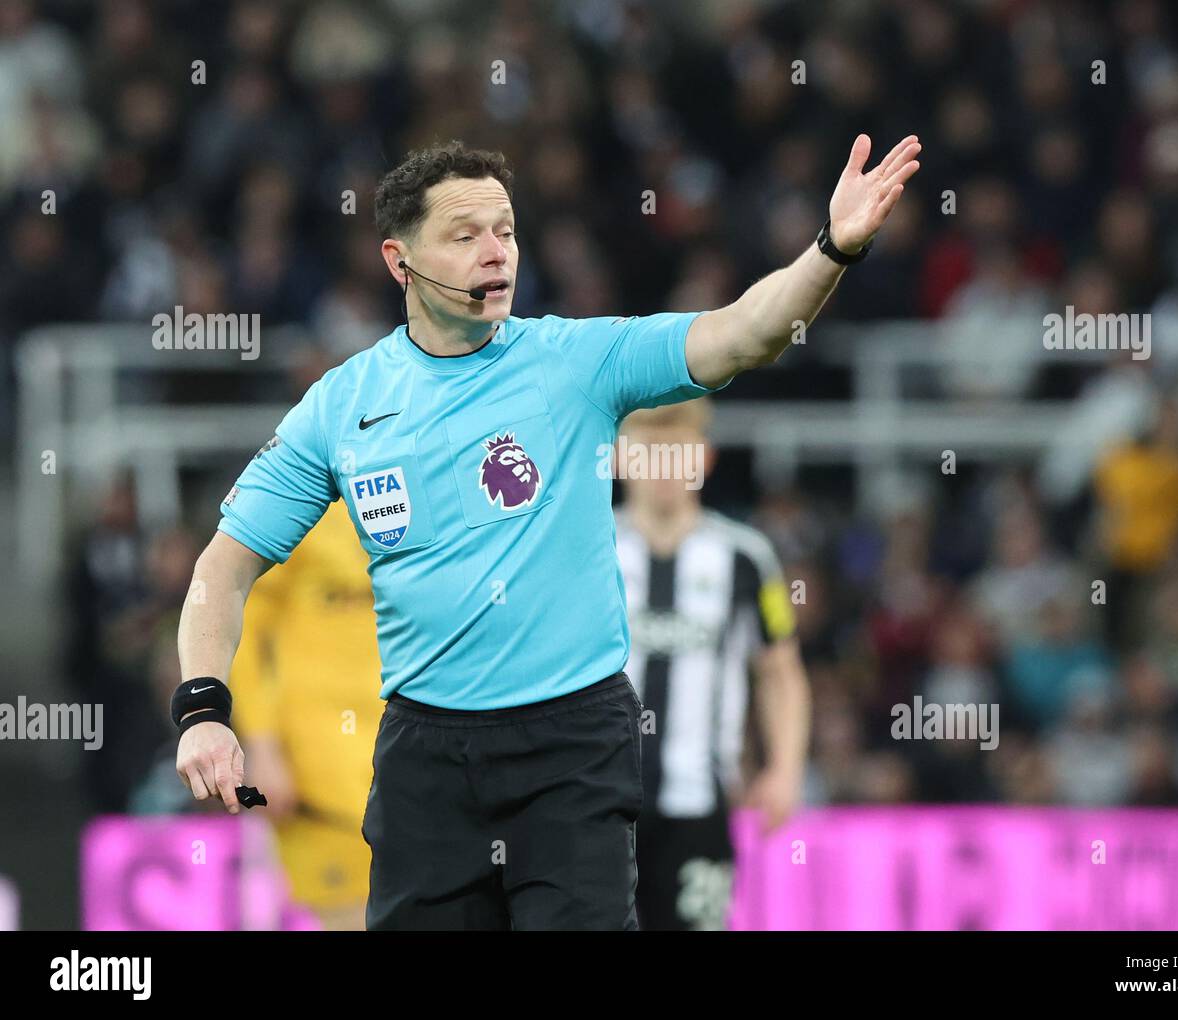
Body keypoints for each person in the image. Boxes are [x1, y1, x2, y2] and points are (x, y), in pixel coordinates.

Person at [174, 133, 921, 930]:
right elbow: (224, 568)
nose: (496, 253)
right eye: (466, 236)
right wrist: (203, 709)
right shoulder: (341, 407)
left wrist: (832, 247)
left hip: (572, 745)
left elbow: (743, 333)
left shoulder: (576, 362)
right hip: (425, 759)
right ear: (399, 262)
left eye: (506, 230)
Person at [615, 398, 810, 930]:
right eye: (649, 451)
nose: (663, 468)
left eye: (677, 451)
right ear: (617, 459)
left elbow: (781, 672)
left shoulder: (747, 558)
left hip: (699, 805)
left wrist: (786, 769)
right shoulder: (586, 551)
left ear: (704, 458)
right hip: (598, 807)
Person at [227, 500, 382, 931]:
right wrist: (261, 744)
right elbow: (242, 625)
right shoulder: (299, 491)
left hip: (421, 753)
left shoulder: (438, 480)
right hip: (320, 772)